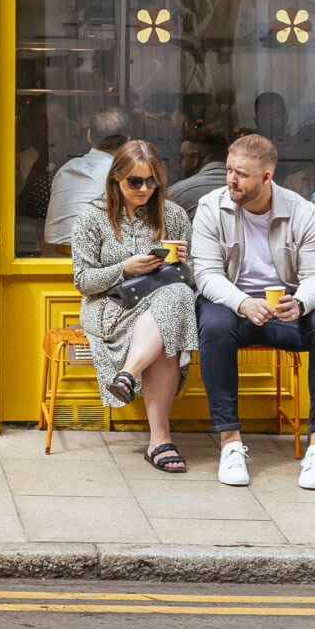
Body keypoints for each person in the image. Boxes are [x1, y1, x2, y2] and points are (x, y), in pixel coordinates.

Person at [189, 135, 315, 491]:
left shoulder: (300, 210)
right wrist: (242, 302)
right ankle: (230, 444)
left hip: (284, 309)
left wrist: (301, 303)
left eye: (241, 174)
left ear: (266, 176)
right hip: (233, 306)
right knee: (213, 324)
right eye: (229, 170)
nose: (231, 179)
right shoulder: (210, 207)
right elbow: (206, 275)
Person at [70, 140, 197, 473]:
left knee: (177, 298)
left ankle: (128, 375)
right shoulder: (92, 217)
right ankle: (161, 441)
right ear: (116, 179)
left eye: (152, 181)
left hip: (161, 305)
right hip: (110, 307)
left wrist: (183, 265)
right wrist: (125, 268)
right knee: (172, 317)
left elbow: (194, 278)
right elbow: (83, 280)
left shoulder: (174, 216)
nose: (145, 189)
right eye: (135, 182)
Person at [43, 107, 128, 250]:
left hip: (52, 255)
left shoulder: (65, 169)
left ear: (88, 135)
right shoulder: (118, 174)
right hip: (89, 259)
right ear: (127, 142)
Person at [167, 128, 231, 215]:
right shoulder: (243, 190)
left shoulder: (175, 194)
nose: (181, 165)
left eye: (183, 157)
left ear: (195, 158)